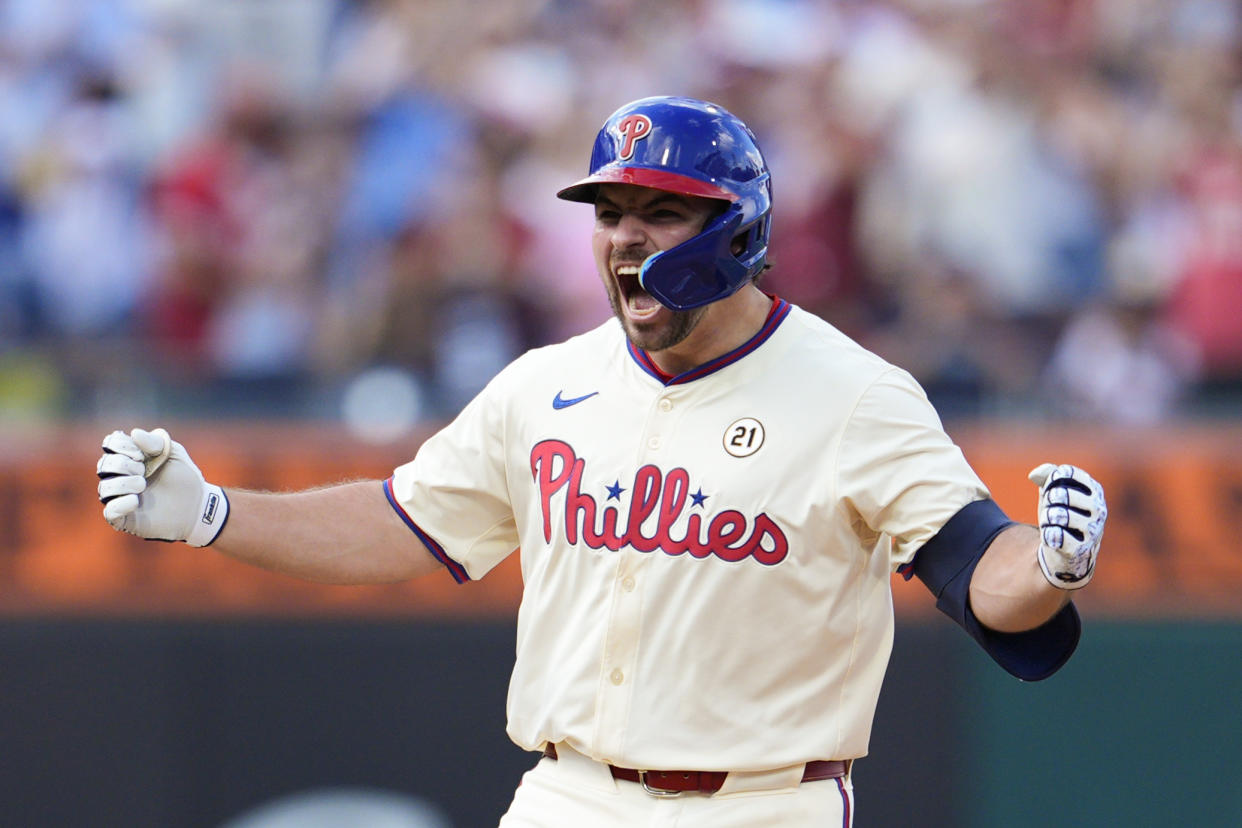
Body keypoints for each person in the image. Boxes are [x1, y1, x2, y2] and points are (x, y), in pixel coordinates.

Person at [95, 96, 1108, 827]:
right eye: (611, 211)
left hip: (763, 804)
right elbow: (405, 523)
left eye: (662, 211)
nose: (627, 237)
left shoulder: (855, 395)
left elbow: (981, 573)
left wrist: (1049, 564)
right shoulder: (546, 384)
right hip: (567, 793)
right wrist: (214, 514)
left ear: (737, 231)